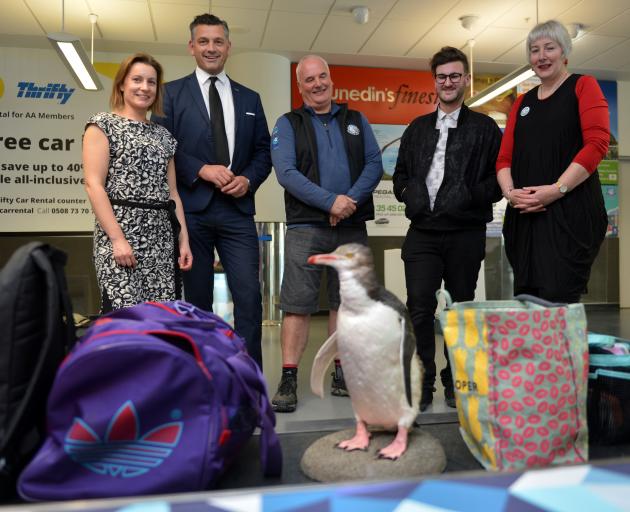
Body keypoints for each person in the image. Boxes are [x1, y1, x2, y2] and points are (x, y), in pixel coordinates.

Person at [153, 14, 271, 368]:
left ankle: (247, 380)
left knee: (249, 299)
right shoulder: (171, 93)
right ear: (191, 46)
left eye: (218, 41)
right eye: (203, 41)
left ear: (228, 47)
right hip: (192, 214)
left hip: (237, 213)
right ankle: (200, 376)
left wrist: (248, 179)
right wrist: (201, 169)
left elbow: (264, 151)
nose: (211, 48)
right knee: (197, 301)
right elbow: (165, 145)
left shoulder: (250, 98)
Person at [270, 55, 383, 413]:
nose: (317, 84)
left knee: (345, 303)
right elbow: (286, 173)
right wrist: (329, 202)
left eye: (322, 77)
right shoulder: (288, 123)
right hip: (306, 227)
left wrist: (347, 202)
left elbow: (374, 165)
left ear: (331, 80)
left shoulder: (355, 120)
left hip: (351, 225)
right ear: (299, 86)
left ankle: (341, 372)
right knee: (297, 305)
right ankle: (289, 376)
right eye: (309, 80)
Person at [392, 46, 502, 412]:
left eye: (456, 76)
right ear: (434, 81)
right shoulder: (417, 128)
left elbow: (497, 182)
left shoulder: (485, 129)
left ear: (466, 80)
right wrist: (410, 195)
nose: (449, 82)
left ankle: (456, 379)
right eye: (442, 76)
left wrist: (467, 195)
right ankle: (422, 381)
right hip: (422, 232)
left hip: (464, 233)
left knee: (459, 311)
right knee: (420, 308)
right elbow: (401, 176)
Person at [496, 20, 609, 303]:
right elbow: (503, 160)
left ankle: (563, 349)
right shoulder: (522, 102)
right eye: (534, 50)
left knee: (558, 305)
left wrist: (555, 190)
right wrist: (510, 194)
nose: (541, 56)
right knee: (527, 302)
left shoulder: (583, 86)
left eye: (550, 47)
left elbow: (596, 145)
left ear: (565, 52)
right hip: (524, 219)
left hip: (569, 216)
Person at [83, 53, 193, 313]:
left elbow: (173, 193)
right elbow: (94, 185)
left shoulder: (164, 135)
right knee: (125, 320)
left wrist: (184, 241)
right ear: (121, 84)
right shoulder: (101, 125)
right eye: (137, 80)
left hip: (161, 239)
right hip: (121, 235)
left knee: (161, 320)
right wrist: (117, 239)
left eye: (151, 82)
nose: (144, 87)